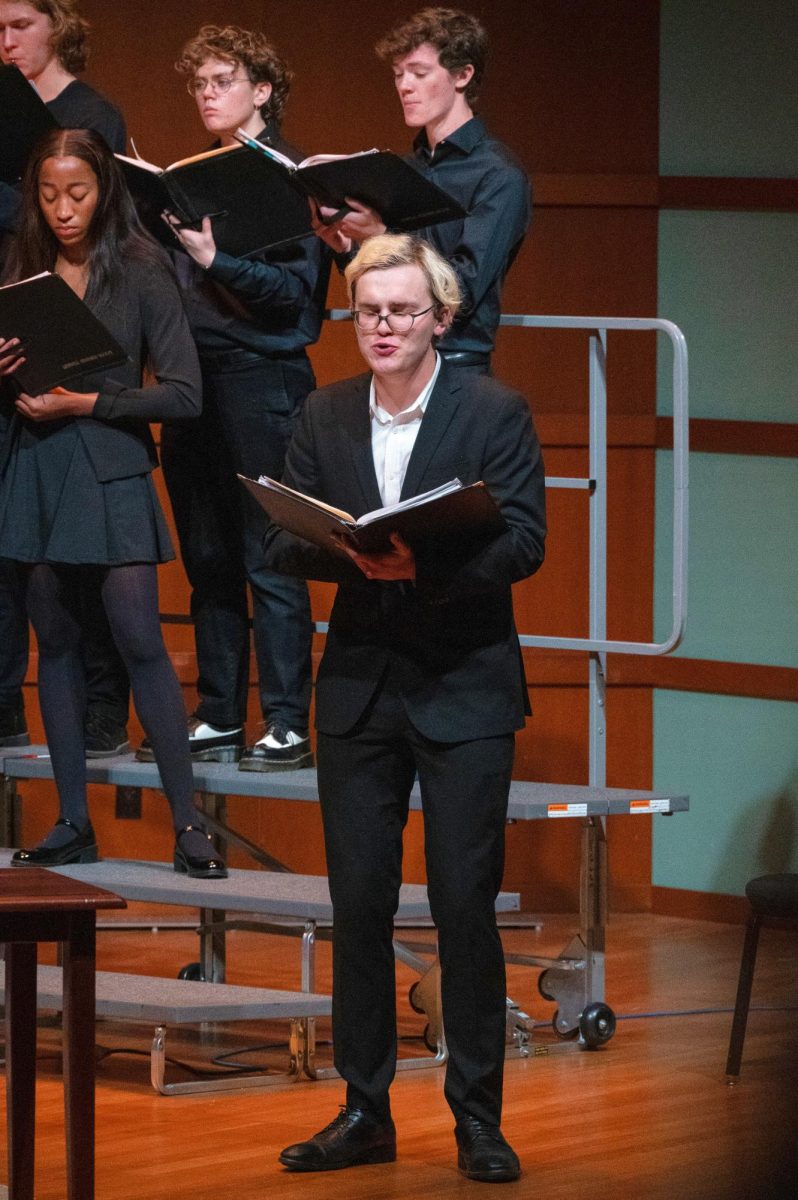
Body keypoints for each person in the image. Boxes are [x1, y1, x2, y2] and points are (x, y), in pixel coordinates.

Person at [265, 234, 546, 1182]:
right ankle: (364, 1109)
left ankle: (477, 1118)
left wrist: (422, 563)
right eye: (368, 311)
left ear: (441, 318)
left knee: (464, 906)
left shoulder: (493, 408)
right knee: (360, 906)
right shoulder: (325, 410)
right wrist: (345, 552)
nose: (381, 327)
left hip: (464, 684)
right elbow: (284, 541)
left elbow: (525, 544)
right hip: (359, 689)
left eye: (400, 311)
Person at [0, 127, 226, 879]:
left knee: (139, 642)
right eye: (49, 194)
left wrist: (89, 400)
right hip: (36, 467)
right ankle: (73, 820)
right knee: (55, 646)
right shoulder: (23, 266)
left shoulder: (138, 268)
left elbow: (187, 394)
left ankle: (190, 826)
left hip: (111, 468)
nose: (64, 210)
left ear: (105, 190)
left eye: (79, 192)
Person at [138, 24, 329, 771]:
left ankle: (286, 720)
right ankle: (219, 709)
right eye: (199, 83)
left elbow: (296, 300)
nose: (207, 95)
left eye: (223, 81)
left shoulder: (289, 179)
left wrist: (216, 261)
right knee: (208, 555)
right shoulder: (194, 176)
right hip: (194, 382)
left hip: (263, 378)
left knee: (268, 554)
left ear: (263, 89)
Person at [0, 0, 130, 757]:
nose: (6, 40)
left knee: (87, 552)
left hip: (79, 341)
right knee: (16, 545)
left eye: (20, 24)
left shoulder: (89, 114)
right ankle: (8, 704)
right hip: (16, 328)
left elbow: (94, 217)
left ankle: (104, 709)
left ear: (57, 25)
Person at [311, 6, 530, 375]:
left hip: (457, 364)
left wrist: (383, 235)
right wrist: (348, 248)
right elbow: (381, 283)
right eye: (398, 74)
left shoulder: (499, 174)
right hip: (392, 359)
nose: (404, 86)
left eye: (419, 73)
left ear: (462, 75)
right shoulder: (404, 168)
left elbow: (465, 286)